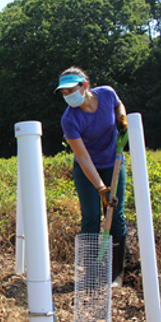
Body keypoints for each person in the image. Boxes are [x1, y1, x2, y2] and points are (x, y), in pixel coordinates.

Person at [54, 66, 128, 287]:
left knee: (115, 213)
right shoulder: (69, 119)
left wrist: (121, 117)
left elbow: (118, 104)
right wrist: (101, 188)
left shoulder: (106, 93)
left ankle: (117, 273)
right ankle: (92, 273)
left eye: (71, 90)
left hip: (113, 161)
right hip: (87, 169)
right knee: (91, 216)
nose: (68, 96)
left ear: (84, 86)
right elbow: (83, 158)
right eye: (64, 93)